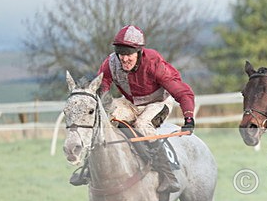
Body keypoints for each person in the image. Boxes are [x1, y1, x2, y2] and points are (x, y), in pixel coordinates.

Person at [69, 25, 197, 192]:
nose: (124, 59)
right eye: (121, 54)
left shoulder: (154, 63)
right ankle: (89, 168)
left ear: (139, 52)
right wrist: (105, 110)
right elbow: (103, 88)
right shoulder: (110, 63)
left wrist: (189, 117)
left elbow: (181, 91)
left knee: (142, 124)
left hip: (158, 103)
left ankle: (168, 176)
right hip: (130, 103)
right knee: (106, 119)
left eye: (129, 54)